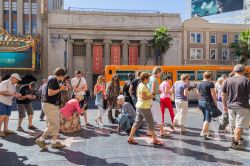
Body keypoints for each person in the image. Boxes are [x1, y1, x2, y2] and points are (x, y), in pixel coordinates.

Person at [127, 72, 163, 145]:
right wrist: (152, 96)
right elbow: (144, 97)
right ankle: (155, 139)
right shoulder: (143, 86)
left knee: (137, 122)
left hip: (139, 106)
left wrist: (154, 93)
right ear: (145, 79)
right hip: (144, 107)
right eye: (148, 78)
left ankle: (130, 138)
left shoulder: (140, 85)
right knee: (151, 123)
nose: (149, 80)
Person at [35, 68, 67, 150]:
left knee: (57, 123)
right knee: (53, 124)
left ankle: (54, 141)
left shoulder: (54, 80)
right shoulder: (53, 79)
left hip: (52, 105)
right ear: (61, 75)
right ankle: (41, 139)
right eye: (63, 76)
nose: (63, 78)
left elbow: (52, 91)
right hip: (50, 105)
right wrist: (60, 89)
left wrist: (59, 87)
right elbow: (50, 93)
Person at [222, 64, 250, 150]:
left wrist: (224, 105)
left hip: (230, 106)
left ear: (234, 71)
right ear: (243, 71)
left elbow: (223, 94)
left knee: (234, 125)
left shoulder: (227, 80)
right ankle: (236, 143)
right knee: (239, 126)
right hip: (243, 106)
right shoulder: (247, 80)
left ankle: (237, 139)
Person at [148, 66, 169, 136]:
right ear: (158, 72)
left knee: (151, 116)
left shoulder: (150, 78)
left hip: (150, 100)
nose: (161, 75)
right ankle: (162, 131)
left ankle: (149, 131)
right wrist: (158, 92)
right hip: (154, 100)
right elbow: (153, 90)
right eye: (161, 73)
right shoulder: (154, 79)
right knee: (159, 115)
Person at [197, 71, 217, 140]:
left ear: (204, 76)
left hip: (201, 101)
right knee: (208, 118)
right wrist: (215, 102)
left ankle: (207, 131)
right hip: (208, 101)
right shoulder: (210, 83)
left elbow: (198, 94)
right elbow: (213, 94)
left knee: (205, 117)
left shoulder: (199, 84)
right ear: (210, 77)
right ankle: (204, 132)